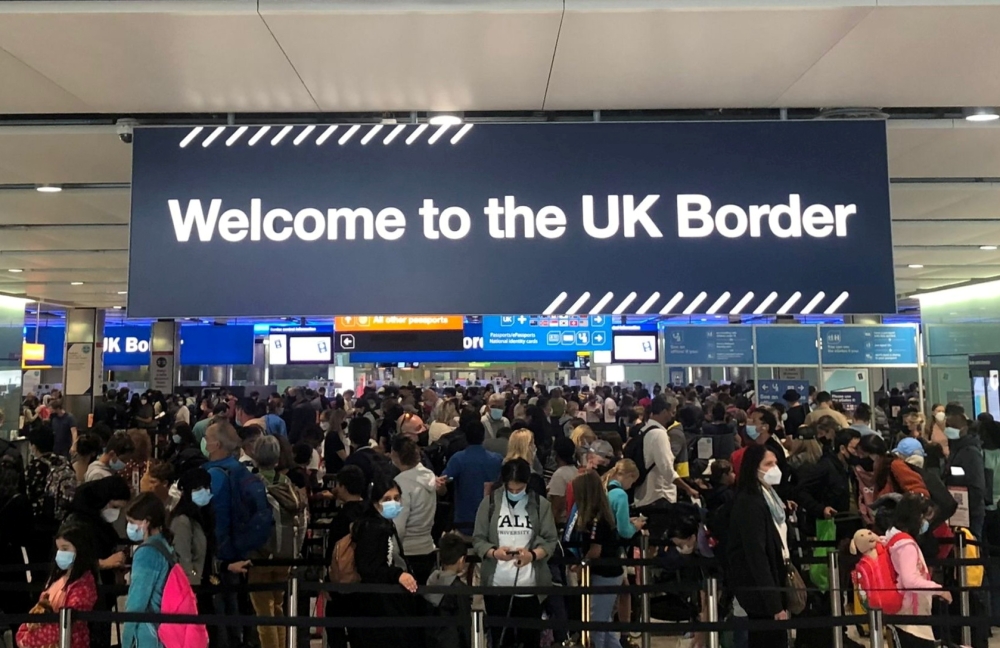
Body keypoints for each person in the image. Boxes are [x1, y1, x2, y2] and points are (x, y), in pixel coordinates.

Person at [473, 459, 558, 648]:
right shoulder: (490, 503)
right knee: (501, 639)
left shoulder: (540, 505)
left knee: (530, 639)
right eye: (510, 489)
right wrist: (494, 553)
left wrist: (532, 555)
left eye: (519, 489)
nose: (514, 492)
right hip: (497, 586)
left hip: (530, 586)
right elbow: (478, 539)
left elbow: (550, 540)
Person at [726, 443, 789, 648]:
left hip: (772, 583)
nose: (774, 469)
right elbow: (756, 554)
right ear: (754, 467)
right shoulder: (750, 502)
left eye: (775, 463)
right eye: (768, 464)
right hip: (760, 590)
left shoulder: (769, 497)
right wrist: (773, 602)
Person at [201, 420, 253, 648]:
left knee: (218, 607)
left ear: (216, 444)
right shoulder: (239, 469)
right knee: (235, 604)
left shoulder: (213, 475)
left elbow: (212, 516)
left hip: (218, 550)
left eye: (207, 438)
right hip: (239, 546)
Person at [352, 476, 420, 648]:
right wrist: (397, 574)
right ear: (375, 502)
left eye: (397, 498)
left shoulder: (386, 524)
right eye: (387, 499)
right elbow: (368, 567)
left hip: (386, 601)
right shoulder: (373, 528)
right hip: (377, 605)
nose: (394, 503)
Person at [16, 523, 99, 648]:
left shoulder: (84, 587)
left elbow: (66, 625)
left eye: (65, 548)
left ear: (80, 549)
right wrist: (23, 632)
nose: (60, 553)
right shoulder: (58, 578)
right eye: (58, 549)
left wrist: (28, 639)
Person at [885, 494, 951, 648]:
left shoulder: (893, 538)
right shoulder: (906, 545)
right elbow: (910, 580)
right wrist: (938, 590)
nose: (926, 523)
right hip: (912, 617)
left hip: (903, 614)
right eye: (924, 517)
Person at [567, 471, 623, 648]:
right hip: (607, 574)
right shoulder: (599, 515)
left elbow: (595, 550)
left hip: (604, 575)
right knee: (604, 626)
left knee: (595, 627)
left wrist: (580, 564)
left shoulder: (597, 519)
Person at [122, 493, 175, 648]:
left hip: (148, 634)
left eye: (132, 522)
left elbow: (137, 603)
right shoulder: (165, 544)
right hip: (164, 629)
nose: (130, 527)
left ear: (146, 522)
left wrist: (126, 640)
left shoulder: (146, 552)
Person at [439, 421, 502, 536]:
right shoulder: (497, 459)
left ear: (465, 437)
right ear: (483, 437)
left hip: (464, 521)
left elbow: (443, 481)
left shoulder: (458, 459)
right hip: (490, 520)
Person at [390, 435, 438, 584]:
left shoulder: (401, 483)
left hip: (408, 552)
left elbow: (398, 524)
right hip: (427, 547)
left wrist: (393, 553)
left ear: (395, 455)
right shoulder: (429, 476)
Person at [942, 405, 987, 541]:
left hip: (970, 512)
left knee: (971, 549)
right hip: (959, 510)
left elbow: (977, 486)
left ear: (963, 429)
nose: (948, 429)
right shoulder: (957, 449)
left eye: (951, 426)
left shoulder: (970, 452)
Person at [423, 533, 470, 648]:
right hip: (453, 641)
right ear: (461, 560)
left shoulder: (430, 581)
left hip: (430, 640)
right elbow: (464, 625)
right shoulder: (460, 589)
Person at [503, 429, 546, 497]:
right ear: (528, 447)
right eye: (533, 444)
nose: (535, 447)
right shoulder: (533, 478)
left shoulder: (503, 470)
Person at [546, 437, 579, 524]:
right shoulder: (575, 470)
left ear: (556, 453)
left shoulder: (559, 475)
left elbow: (556, 507)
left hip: (561, 523)